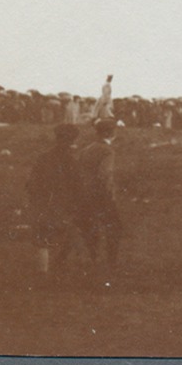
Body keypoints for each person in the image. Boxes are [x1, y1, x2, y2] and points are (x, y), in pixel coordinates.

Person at [27, 123, 87, 276]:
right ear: (73, 140)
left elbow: (31, 183)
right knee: (73, 234)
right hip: (64, 206)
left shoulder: (44, 157)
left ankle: (43, 272)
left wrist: (35, 201)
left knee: (43, 239)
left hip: (44, 204)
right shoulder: (72, 161)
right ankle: (78, 268)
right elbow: (79, 187)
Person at [79, 118, 122, 281]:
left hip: (85, 194)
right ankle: (111, 261)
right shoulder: (107, 151)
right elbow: (105, 175)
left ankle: (94, 257)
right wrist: (109, 195)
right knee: (115, 228)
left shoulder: (87, 149)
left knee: (90, 227)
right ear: (109, 133)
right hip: (101, 195)